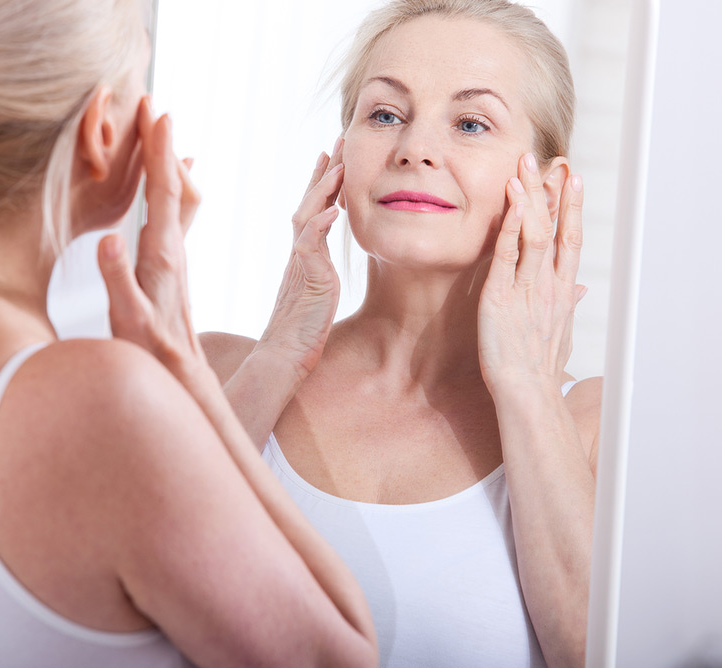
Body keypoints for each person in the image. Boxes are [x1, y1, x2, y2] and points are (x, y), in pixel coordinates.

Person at [0, 1, 379, 666]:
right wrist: (182, 366)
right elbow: (345, 655)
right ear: (101, 131)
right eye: (142, 77)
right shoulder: (101, 404)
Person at [101, 1, 600, 666]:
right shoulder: (217, 370)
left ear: (548, 186)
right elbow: (117, 619)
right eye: (385, 114)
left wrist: (529, 389)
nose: (414, 149)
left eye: (471, 122)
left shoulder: (596, 428)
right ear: (340, 155)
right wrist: (277, 359)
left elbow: (599, 652)